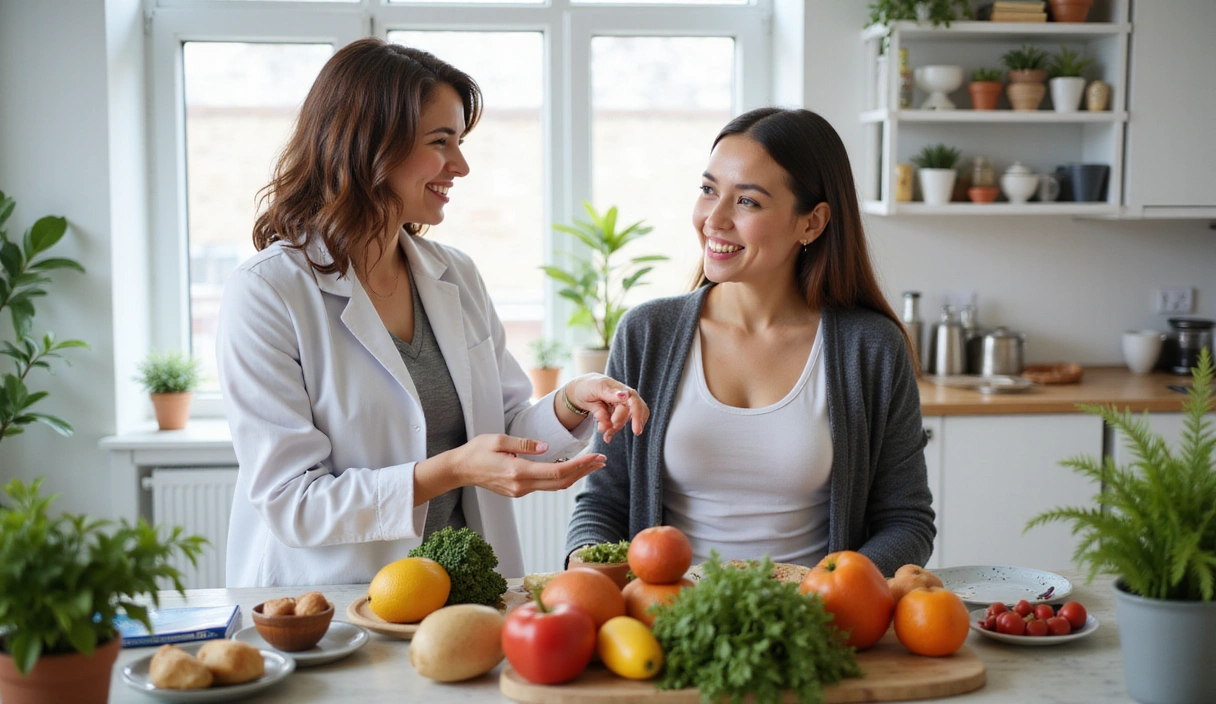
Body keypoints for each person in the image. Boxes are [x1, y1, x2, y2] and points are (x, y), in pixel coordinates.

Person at [217, 38, 648, 588]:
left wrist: (569, 400)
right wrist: (449, 471)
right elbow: (293, 502)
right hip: (335, 602)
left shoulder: (455, 274)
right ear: (370, 145)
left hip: (465, 594)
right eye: (441, 142)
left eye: (460, 141)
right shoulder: (268, 292)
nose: (461, 166)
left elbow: (506, 425)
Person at [565, 107, 934, 576]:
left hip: (814, 624)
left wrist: (831, 590)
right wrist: (585, 568)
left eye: (748, 202)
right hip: (665, 622)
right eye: (708, 190)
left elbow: (907, 521)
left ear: (812, 223)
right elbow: (603, 504)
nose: (713, 219)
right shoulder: (646, 333)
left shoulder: (872, 349)